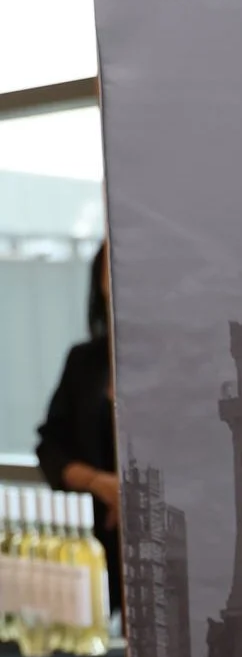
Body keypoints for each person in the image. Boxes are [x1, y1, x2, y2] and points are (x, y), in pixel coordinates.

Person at [36, 241, 120, 615]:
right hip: (95, 540)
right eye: (110, 269)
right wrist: (99, 483)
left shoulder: (178, 358)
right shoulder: (83, 361)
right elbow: (50, 447)